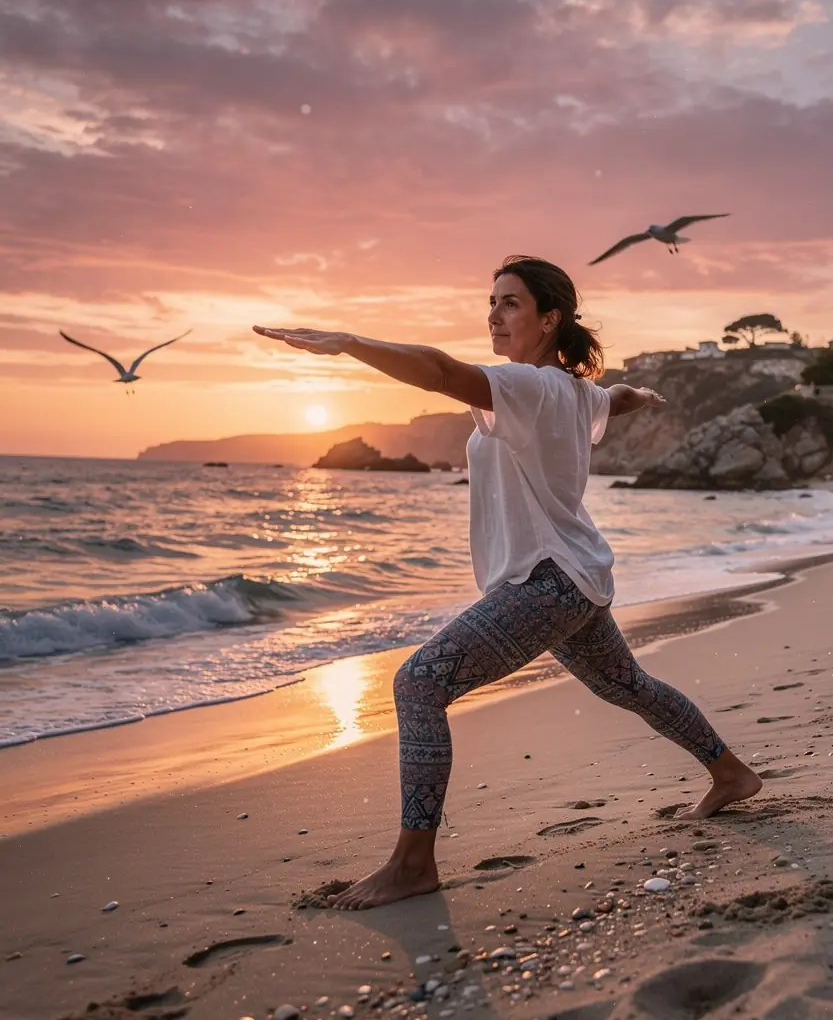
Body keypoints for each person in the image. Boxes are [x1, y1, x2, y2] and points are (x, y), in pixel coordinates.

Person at [253, 256, 763, 911]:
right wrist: (643, 396)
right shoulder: (574, 392)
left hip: (547, 582)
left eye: (511, 303)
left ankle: (413, 863)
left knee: (419, 682)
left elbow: (439, 371)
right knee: (626, 686)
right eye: (490, 302)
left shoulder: (529, 385)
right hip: (574, 576)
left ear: (550, 320)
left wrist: (352, 344)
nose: (494, 314)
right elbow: (615, 400)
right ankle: (730, 774)